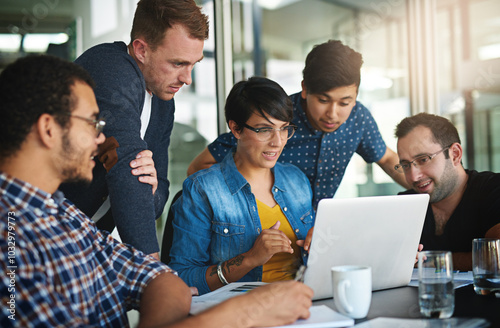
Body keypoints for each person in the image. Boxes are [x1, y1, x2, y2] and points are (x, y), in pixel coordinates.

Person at [0, 55, 313, 328]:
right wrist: (246, 311)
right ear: (49, 129)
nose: (101, 139)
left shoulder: (63, 213)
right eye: (93, 123)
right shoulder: (9, 239)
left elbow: (155, 276)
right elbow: (179, 277)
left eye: (284, 129)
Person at [60, 0, 209, 258]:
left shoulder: (164, 100)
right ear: (141, 49)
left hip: (84, 245)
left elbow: (158, 194)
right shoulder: (111, 68)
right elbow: (126, 169)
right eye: (178, 63)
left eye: (193, 64)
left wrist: (149, 191)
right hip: (33, 234)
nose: (187, 78)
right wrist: (153, 275)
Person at [188, 40, 408, 209]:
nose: (333, 114)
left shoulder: (358, 118)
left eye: (345, 102)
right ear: (305, 88)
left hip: (319, 235)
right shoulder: (278, 117)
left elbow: (388, 159)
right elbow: (198, 167)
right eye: (323, 100)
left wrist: (422, 186)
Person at [168, 77, 315, 295]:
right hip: (242, 311)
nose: (278, 141)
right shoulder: (203, 189)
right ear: (236, 129)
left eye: (284, 129)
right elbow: (182, 277)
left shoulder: (296, 179)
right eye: (264, 130)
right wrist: (249, 259)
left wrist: (319, 242)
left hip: (304, 301)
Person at [395, 113, 500, 271]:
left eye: (423, 159)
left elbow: (496, 258)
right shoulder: (404, 204)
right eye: (405, 165)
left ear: (455, 154)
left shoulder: (493, 189)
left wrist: (428, 261)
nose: (413, 176)